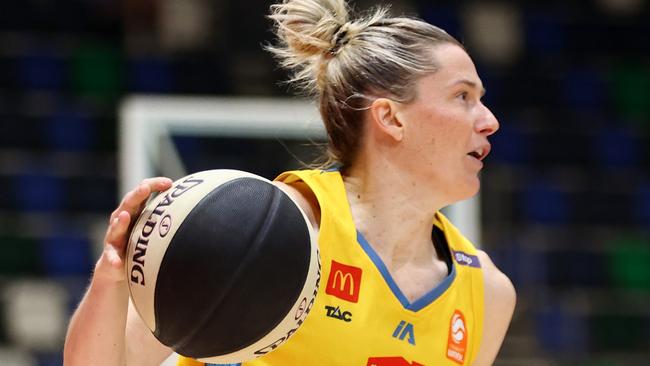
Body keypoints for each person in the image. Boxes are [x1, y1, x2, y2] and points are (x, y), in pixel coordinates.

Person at [64, 0, 516, 364]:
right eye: (463, 97)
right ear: (391, 117)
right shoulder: (270, 230)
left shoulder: (487, 294)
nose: (490, 121)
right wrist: (112, 275)